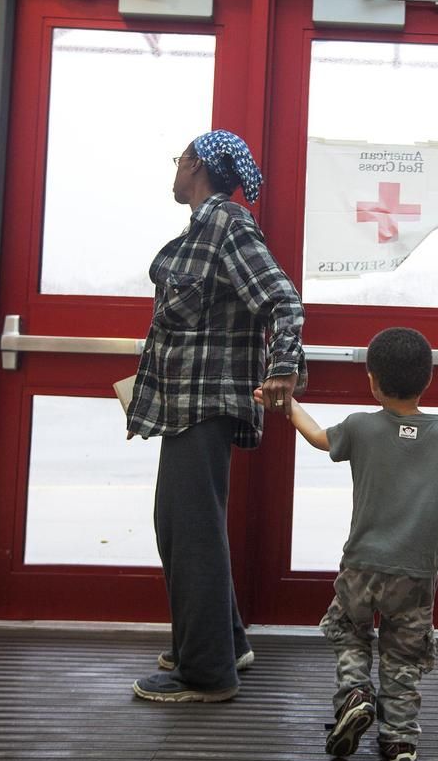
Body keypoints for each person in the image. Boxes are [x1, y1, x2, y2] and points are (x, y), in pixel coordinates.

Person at [257, 326, 438, 761]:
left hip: (360, 565)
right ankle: (399, 740)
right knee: (403, 655)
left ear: (371, 379)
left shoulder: (360, 427)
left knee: (348, 629)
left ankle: (355, 692)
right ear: (428, 381)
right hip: (413, 574)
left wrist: (290, 406)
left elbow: (318, 438)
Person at [126, 129, 305, 703]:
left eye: (178, 160)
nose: (173, 170)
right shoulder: (205, 227)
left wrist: (283, 368)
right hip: (186, 406)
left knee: (190, 534)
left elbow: (282, 299)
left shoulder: (229, 225)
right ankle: (221, 643)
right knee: (184, 529)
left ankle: (205, 674)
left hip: (204, 407)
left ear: (198, 165)